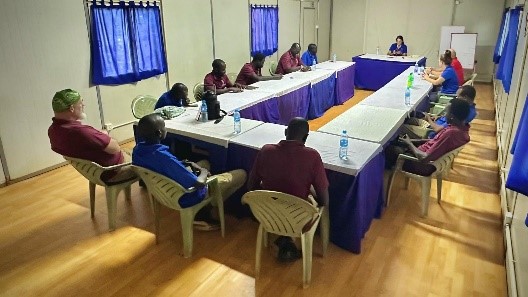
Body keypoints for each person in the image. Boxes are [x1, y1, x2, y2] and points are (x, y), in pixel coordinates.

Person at [132, 113, 247, 230]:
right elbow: (198, 183)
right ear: (159, 133)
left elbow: (165, 166)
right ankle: (204, 208)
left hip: (162, 189)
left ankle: (205, 207)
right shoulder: (164, 158)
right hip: (186, 195)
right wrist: (203, 171)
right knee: (241, 174)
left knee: (205, 162)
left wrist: (184, 164)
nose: (165, 129)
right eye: (164, 127)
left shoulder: (138, 150)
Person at [248, 117, 329, 262]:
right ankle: (290, 242)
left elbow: (251, 187)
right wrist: (310, 191)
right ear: (306, 137)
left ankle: (284, 241)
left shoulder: (266, 150)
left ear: (285, 132)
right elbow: (324, 200)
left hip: (267, 215)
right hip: (298, 220)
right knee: (310, 205)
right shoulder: (312, 156)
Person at [48, 89, 136, 183]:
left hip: (94, 172)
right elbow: (115, 148)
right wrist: (105, 136)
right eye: (81, 103)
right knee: (147, 160)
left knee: (133, 151)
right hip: (114, 171)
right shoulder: (81, 132)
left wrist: (98, 134)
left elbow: (85, 139)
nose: (83, 105)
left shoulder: (53, 131)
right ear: (72, 108)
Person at [386, 98, 471, 176]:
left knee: (389, 149)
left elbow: (424, 158)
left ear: (452, 116)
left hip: (421, 164)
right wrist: (412, 141)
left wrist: (409, 143)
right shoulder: (461, 129)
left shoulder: (451, 133)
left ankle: (388, 181)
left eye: (446, 112)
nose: (445, 115)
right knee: (397, 141)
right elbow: (435, 141)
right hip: (421, 154)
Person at [401, 85, 477, 139]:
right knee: (413, 118)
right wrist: (438, 117)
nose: (456, 98)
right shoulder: (464, 109)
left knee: (402, 127)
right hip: (435, 123)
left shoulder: (461, 115)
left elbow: (438, 129)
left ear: (465, 98)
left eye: (458, 96)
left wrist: (429, 119)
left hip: (430, 131)